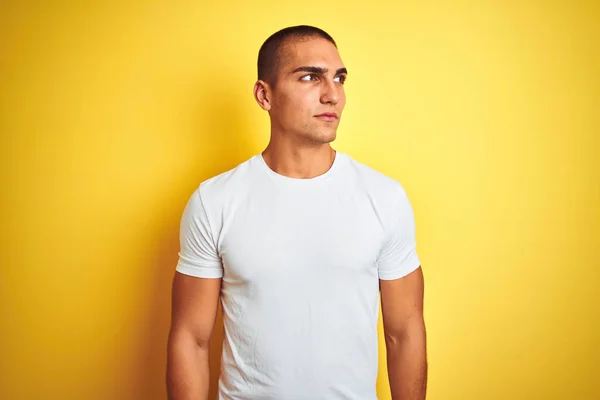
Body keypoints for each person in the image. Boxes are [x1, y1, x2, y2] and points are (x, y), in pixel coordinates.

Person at [166, 25, 427, 400]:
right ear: (264, 95)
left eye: (339, 79)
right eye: (310, 77)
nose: (332, 95)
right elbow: (190, 338)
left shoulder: (384, 197)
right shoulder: (215, 201)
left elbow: (404, 333)